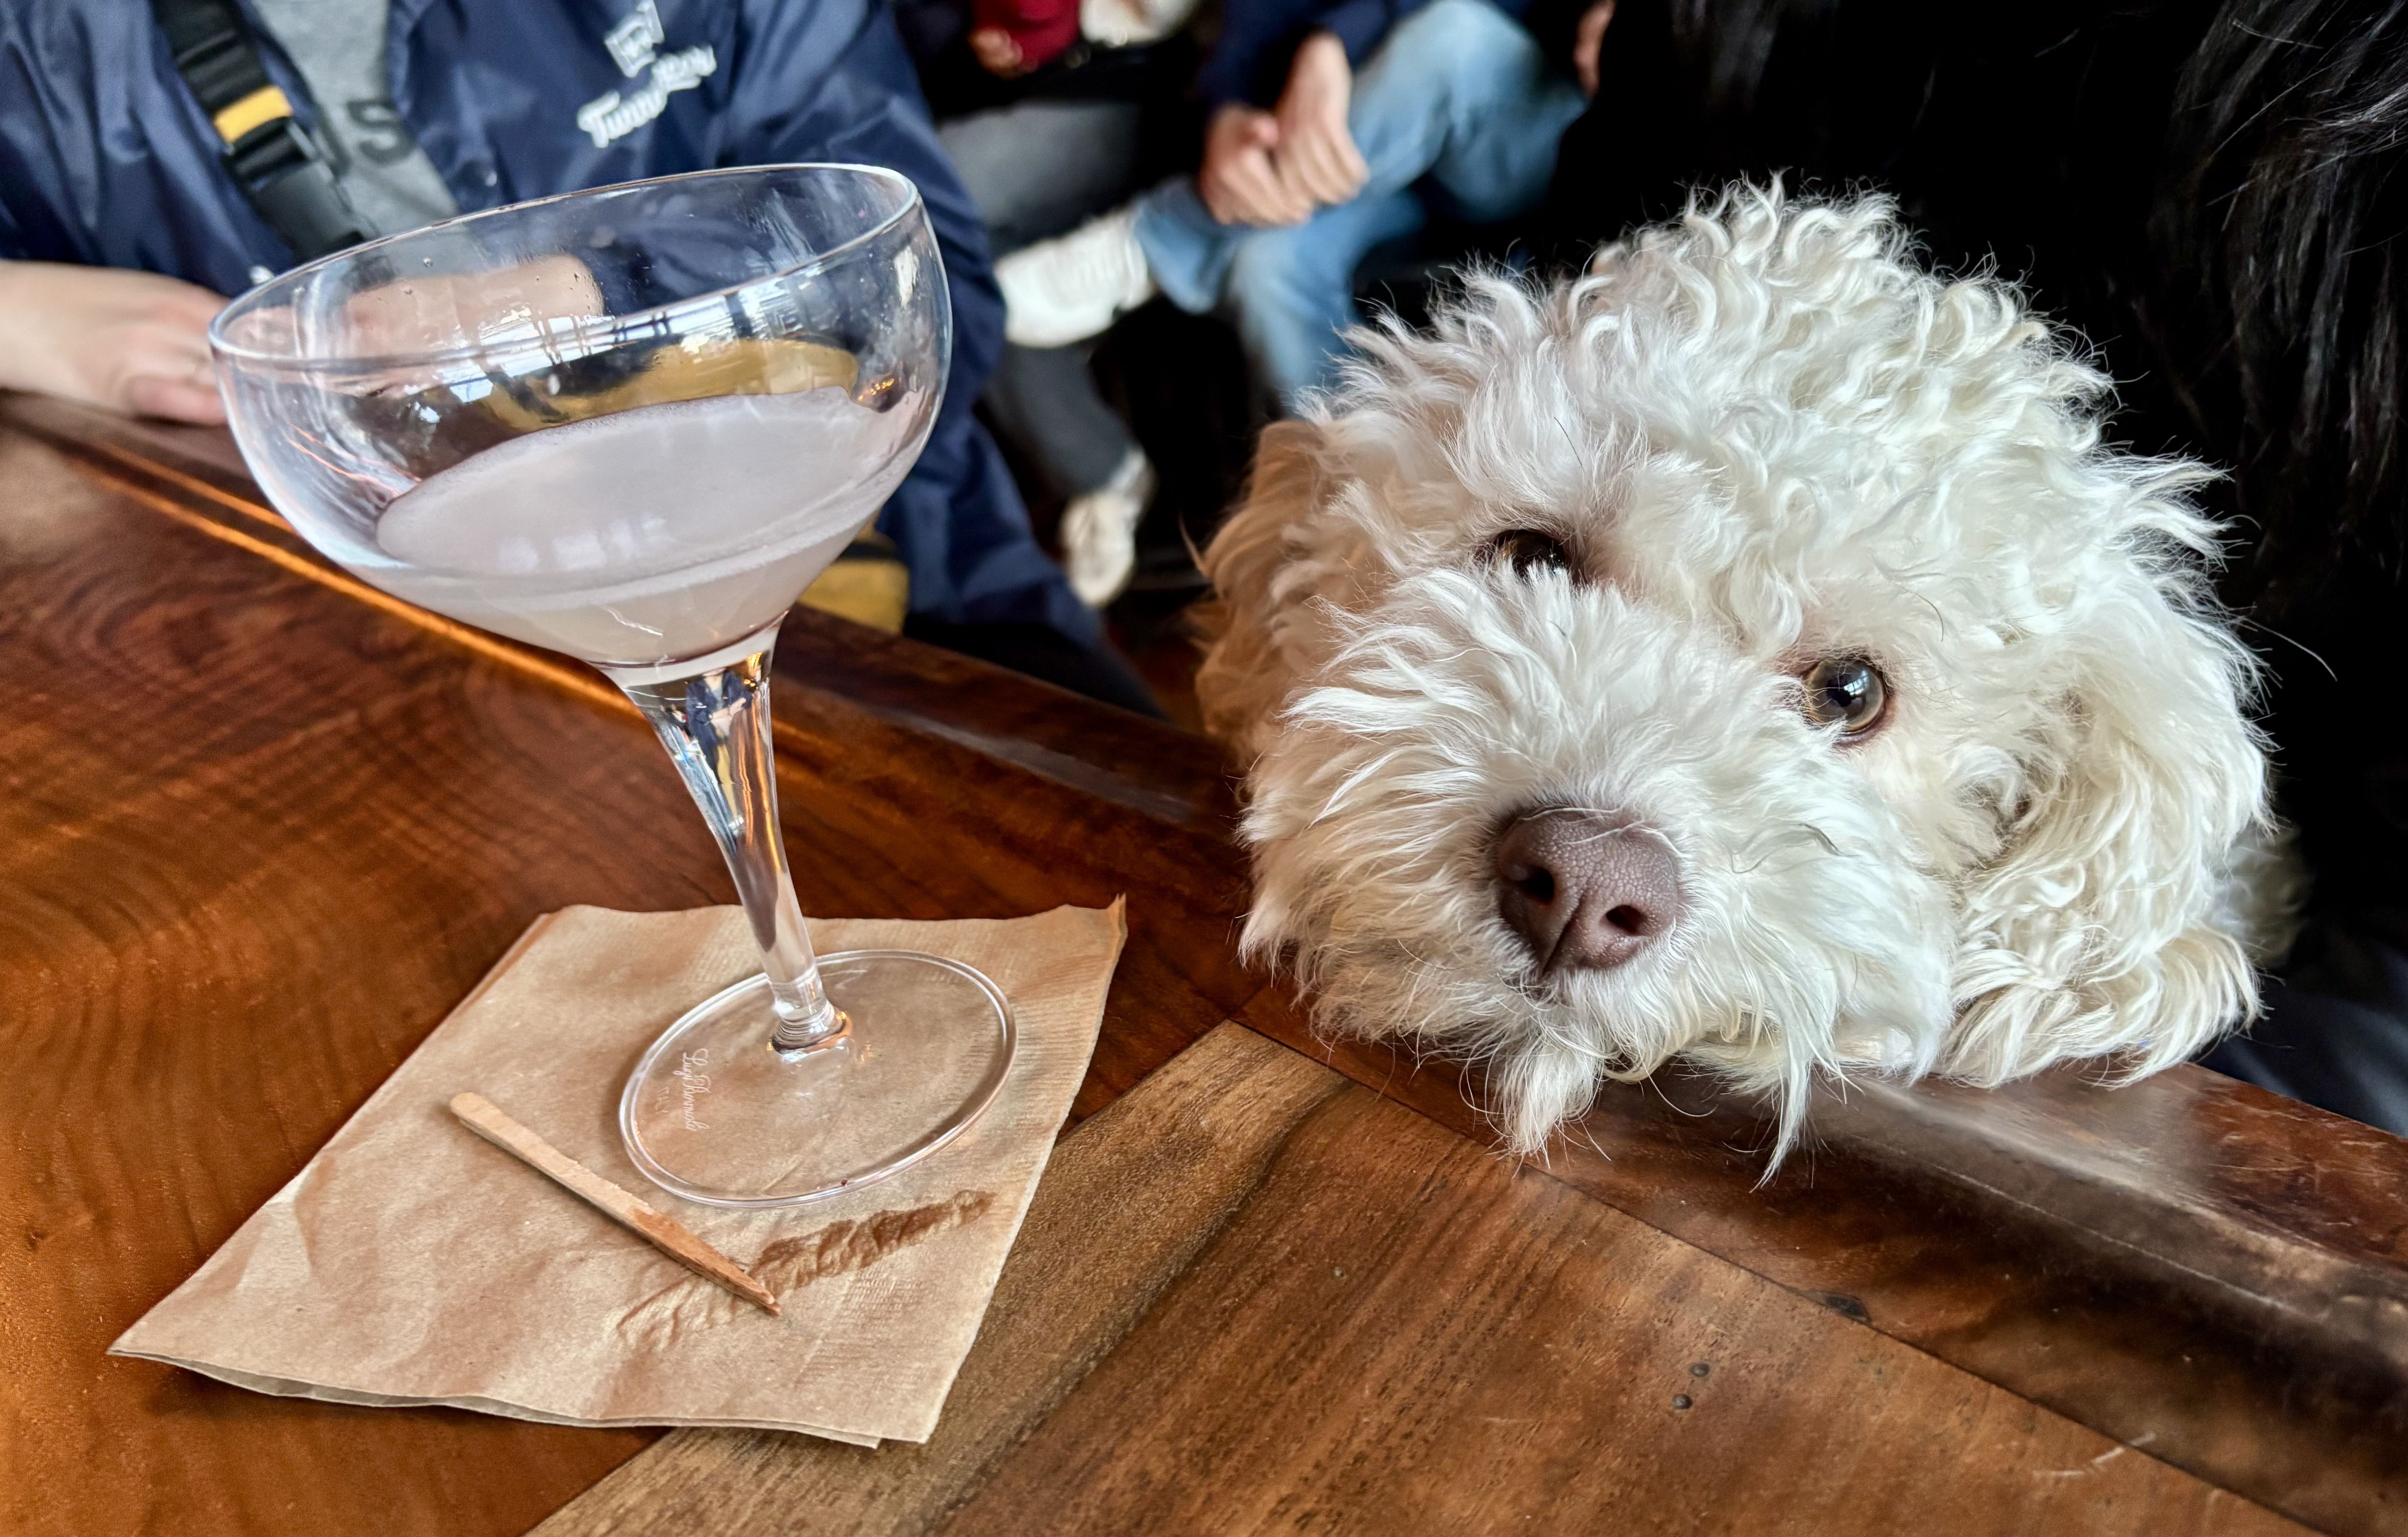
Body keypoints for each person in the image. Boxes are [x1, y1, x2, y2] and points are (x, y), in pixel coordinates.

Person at [0, 0, 1159, 714]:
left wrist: (575, 298)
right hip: (388, 662)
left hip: (898, 583)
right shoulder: (47, 49)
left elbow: (923, 267)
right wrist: (31, 313)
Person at [991, 0, 1615, 408]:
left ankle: (1169, 235)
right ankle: (1357, 492)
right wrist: (1239, 104)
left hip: (1566, 161)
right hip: (1388, 150)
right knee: (1267, 264)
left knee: (1455, 40)